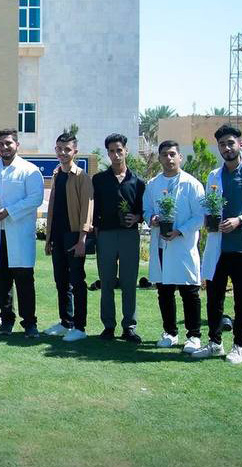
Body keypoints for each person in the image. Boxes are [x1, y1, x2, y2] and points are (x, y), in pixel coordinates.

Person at [192, 125, 242, 364]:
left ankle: (240, 346)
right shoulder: (213, 176)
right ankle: (215, 343)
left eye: (230, 143)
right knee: (214, 299)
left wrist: (239, 220)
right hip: (219, 248)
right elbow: (208, 205)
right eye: (222, 144)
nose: (227, 148)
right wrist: (207, 218)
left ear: (240, 145)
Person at [0, 128, 43, 337]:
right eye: (1, 144)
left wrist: (9, 211)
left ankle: (29, 323)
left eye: (8, 143)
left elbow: (36, 198)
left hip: (19, 233)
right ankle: (6, 320)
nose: (4, 147)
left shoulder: (29, 170)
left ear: (17, 145)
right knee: (2, 281)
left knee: (24, 280)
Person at [142, 139, 205, 353]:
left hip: (183, 245)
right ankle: (170, 332)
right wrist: (151, 218)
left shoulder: (192, 184)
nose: (169, 158)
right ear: (159, 158)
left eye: (172, 154)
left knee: (189, 291)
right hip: (161, 245)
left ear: (180, 157)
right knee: (164, 291)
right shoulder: (153, 184)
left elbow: (200, 216)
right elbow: (146, 210)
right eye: (164, 155)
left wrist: (180, 230)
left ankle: (194, 335)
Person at [91, 132, 145, 343]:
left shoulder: (138, 182)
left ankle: (129, 326)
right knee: (106, 281)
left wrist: (137, 217)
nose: (116, 155)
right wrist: (94, 231)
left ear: (126, 151)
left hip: (129, 236)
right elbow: (94, 209)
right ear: (108, 153)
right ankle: (108, 326)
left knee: (129, 282)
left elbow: (144, 210)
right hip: (105, 235)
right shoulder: (99, 180)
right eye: (112, 151)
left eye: (119, 150)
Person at [43, 132, 94, 342]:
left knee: (77, 282)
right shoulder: (57, 174)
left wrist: (82, 239)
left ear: (75, 152)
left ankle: (80, 327)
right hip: (57, 236)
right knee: (61, 281)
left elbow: (87, 211)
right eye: (59, 149)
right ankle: (66, 323)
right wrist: (48, 239)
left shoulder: (82, 177)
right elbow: (53, 209)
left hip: (74, 236)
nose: (63, 153)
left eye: (67, 149)